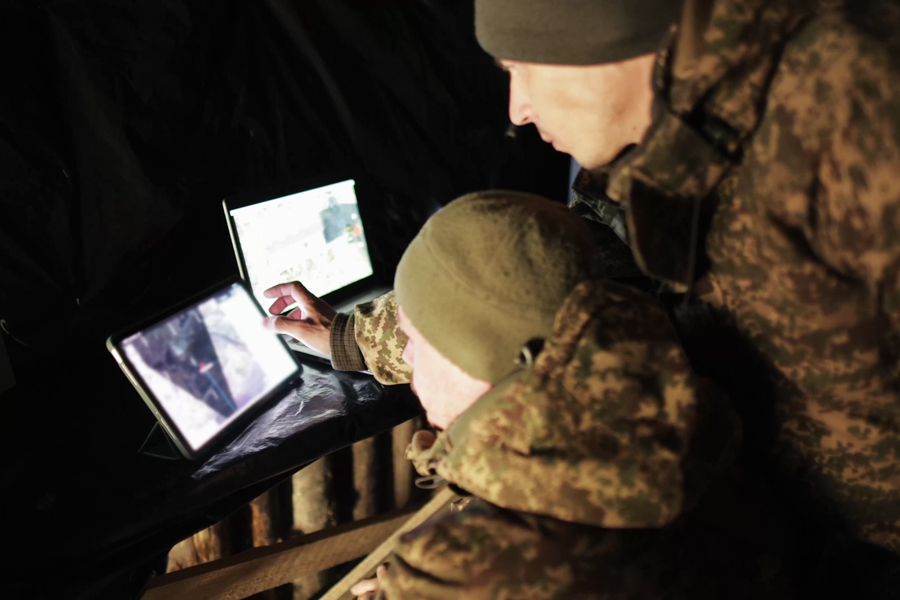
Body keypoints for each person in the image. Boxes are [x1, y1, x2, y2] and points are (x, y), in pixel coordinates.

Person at [273, 0, 900, 557]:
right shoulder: (659, 140)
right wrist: (357, 337)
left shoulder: (858, 117)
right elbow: (569, 263)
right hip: (756, 531)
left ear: (602, 40)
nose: (517, 110)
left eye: (522, 67)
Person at [267, 191, 807, 599]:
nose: (405, 357)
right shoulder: (682, 416)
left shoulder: (464, 576)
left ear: (478, 356)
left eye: (414, 339)